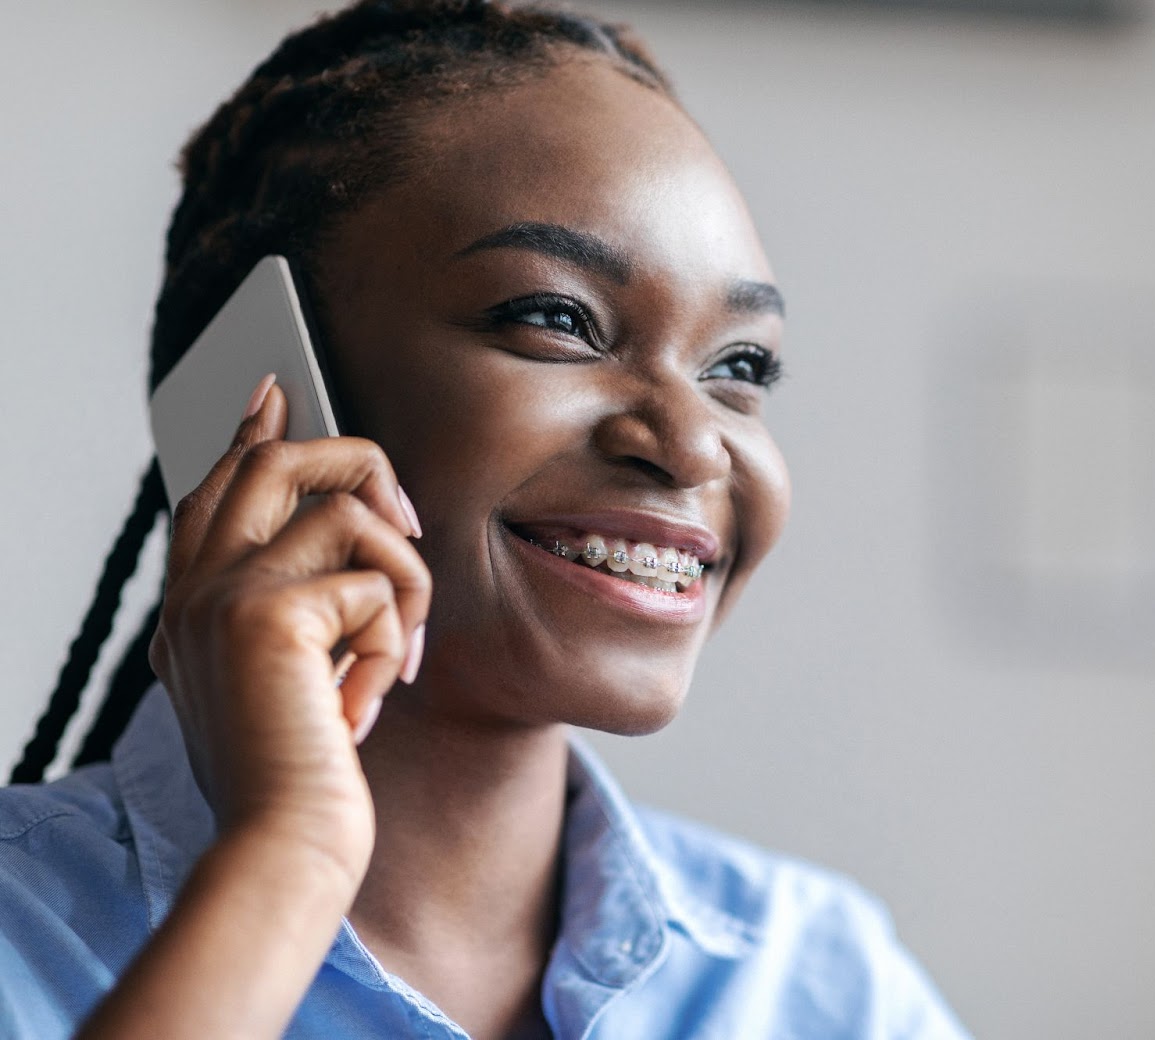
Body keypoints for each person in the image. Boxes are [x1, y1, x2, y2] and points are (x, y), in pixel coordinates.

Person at [0, 2, 970, 1037]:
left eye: (740, 367)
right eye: (556, 318)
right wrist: (287, 858)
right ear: (265, 383)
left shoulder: (826, 983)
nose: (691, 445)